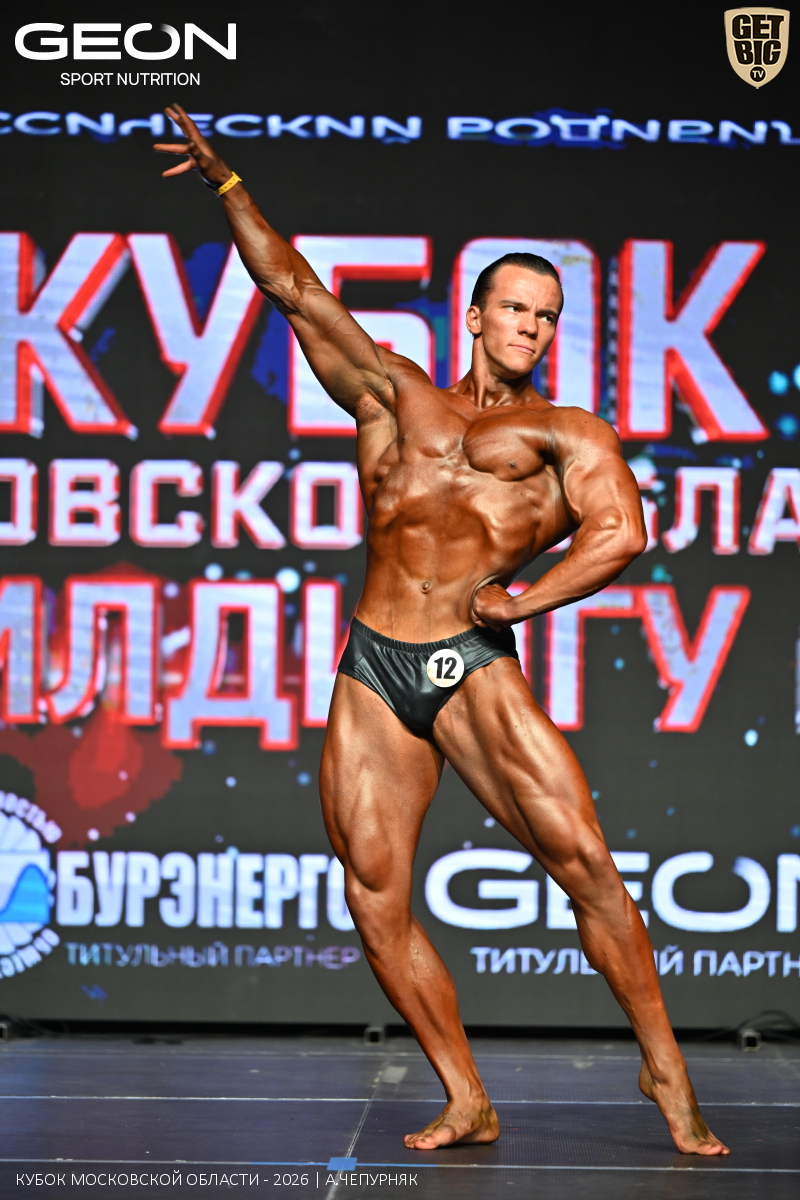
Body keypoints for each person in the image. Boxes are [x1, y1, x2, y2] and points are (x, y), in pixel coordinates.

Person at [155, 105, 729, 1157]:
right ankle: (466, 1095)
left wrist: (523, 602)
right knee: (374, 894)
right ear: (473, 315)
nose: (530, 328)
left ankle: (665, 1069)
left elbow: (622, 534)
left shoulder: (566, 433)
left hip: (470, 662)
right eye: (514, 309)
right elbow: (294, 290)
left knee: (585, 865)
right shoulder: (392, 395)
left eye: (546, 316)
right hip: (374, 664)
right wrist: (226, 186)